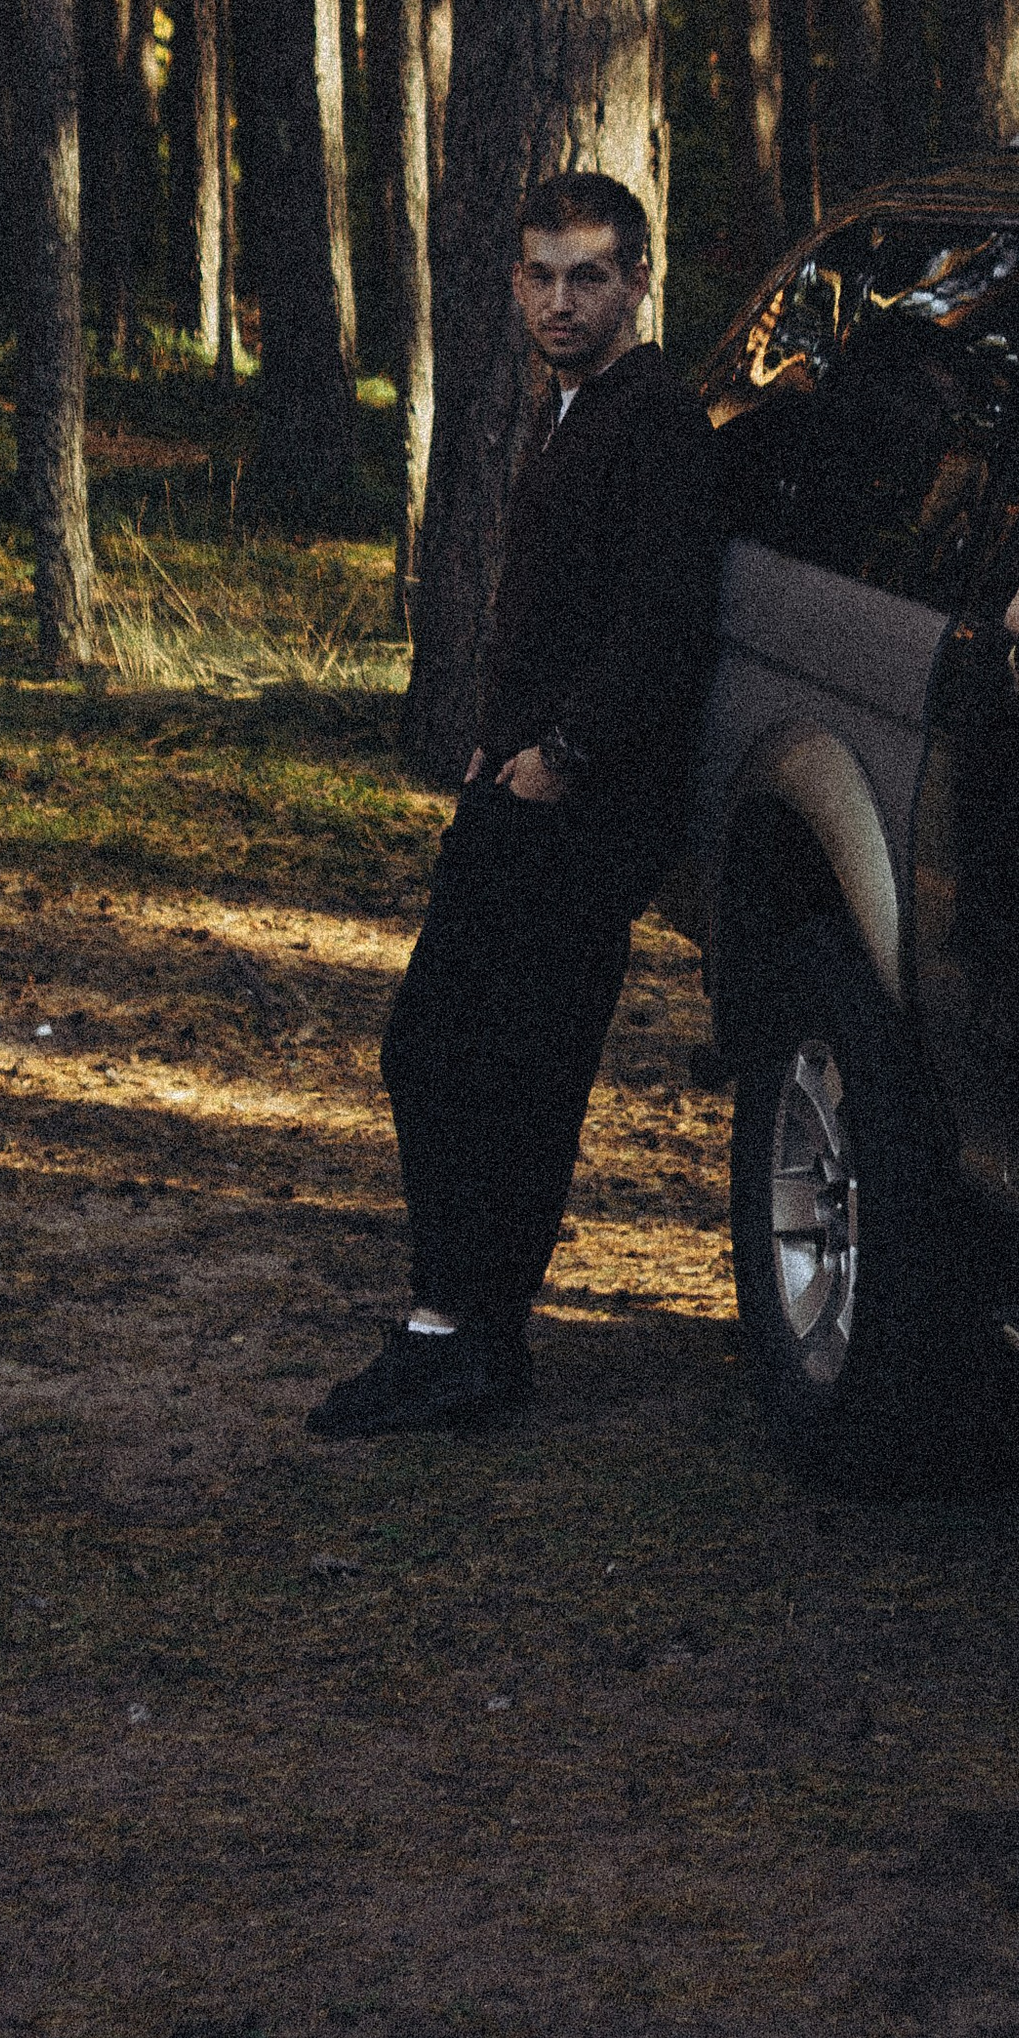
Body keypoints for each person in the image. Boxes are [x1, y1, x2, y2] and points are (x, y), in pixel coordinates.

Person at [308, 171, 724, 1439]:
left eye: (588, 276)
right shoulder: (577, 410)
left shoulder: (651, 416)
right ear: (512, 284)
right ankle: (467, 1337)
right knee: (467, 1057)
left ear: (639, 282)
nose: (560, 300)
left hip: (577, 805)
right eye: (540, 275)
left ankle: (458, 1339)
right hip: (530, 788)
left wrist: (563, 752)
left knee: (467, 1057)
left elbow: (667, 617)